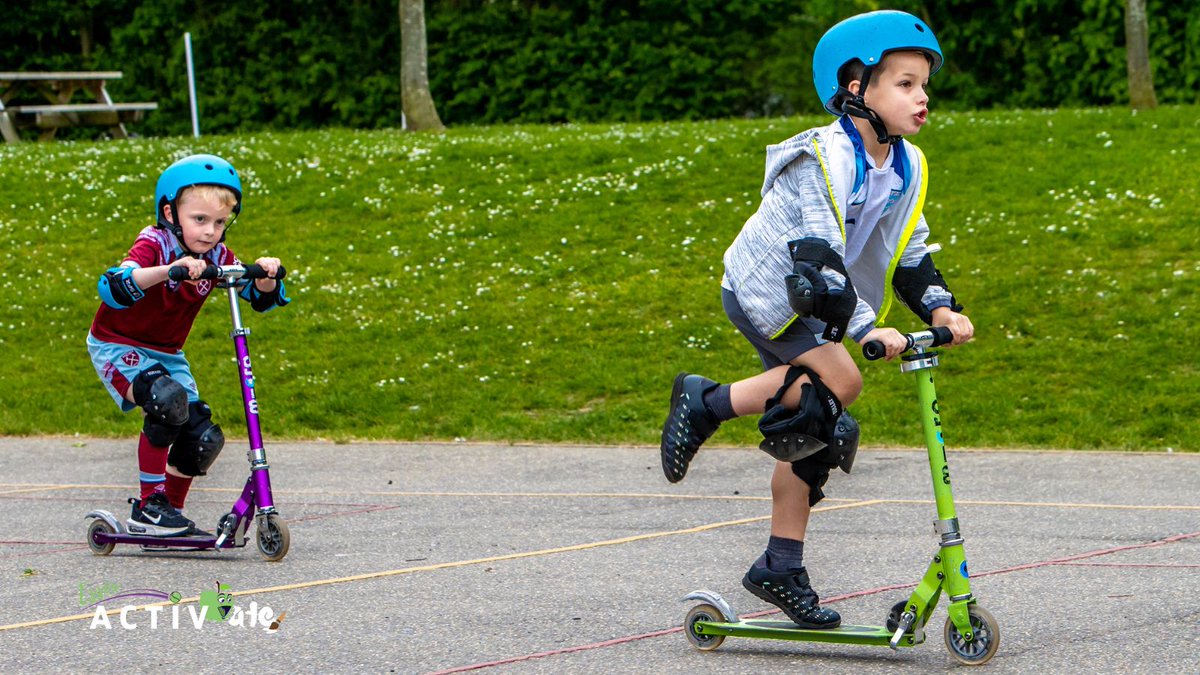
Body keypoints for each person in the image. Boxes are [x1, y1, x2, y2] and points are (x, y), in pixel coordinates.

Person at [660, 11, 974, 629]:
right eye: (905, 83)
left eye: (923, 84)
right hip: (769, 292)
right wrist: (865, 330)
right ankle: (705, 403)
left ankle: (780, 564)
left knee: (815, 424)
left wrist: (941, 307)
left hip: (816, 299)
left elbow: (911, 250)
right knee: (843, 382)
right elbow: (820, 264)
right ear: (855, 88)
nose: (922, 97)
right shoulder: (819, 160)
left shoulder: (906, 165)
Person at [87, 154, 290, 536]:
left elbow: (259, 297)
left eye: (219, 222)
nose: (211, 231)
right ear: (169, 211)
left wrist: (265, 275)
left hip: (167, 352)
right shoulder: (155, 242)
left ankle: (170, 515)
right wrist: (171, 269)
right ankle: (148, 507)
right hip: (117, 343)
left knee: (202, 437)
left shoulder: (217, 256)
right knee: (165, 400)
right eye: (200, 220)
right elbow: (115, 285)